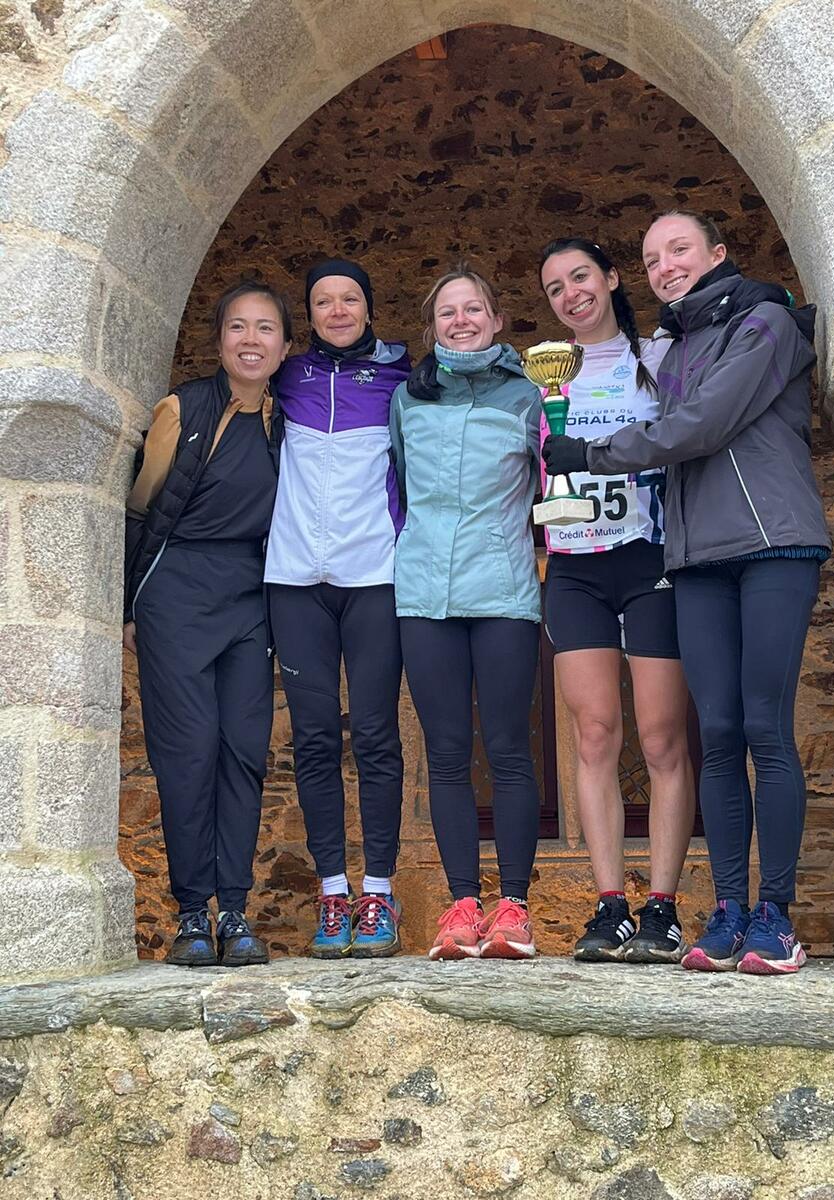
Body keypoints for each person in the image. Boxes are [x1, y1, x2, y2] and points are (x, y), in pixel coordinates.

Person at [543, 211, 831, 975]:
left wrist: (593, 453)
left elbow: (701, 425)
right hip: (696, 556)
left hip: (773, 541)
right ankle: (729, 908)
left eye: (678, 250)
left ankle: (775, 914)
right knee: (720, 733)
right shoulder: (672, 347)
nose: (665, 265)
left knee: (765, 729)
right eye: (653, 257)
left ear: (717, 253)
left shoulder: (765, 320)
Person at [124, 280, 292, 967]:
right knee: (187, 754)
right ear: (219, 340)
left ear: (284, 347)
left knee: (244, 754)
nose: (250, 340)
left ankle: (236, 913)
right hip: (177, 592)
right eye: (238, 328)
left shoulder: (290, 418)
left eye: (265, 329)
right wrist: (127, 602)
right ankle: (193, 914)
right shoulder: (183, 409)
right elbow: (138, 508)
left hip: (251, 598)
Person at [538, 238, 695, 964]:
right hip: (573, 566)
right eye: (555, 288)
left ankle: (662, 906)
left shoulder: (659, 358)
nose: (571, 294)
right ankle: (610, 906)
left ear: (610, 278)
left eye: (581, 277)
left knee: (662, 738)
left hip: (647, 558)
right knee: (594, 733)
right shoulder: (541, 371)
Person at [390, 263, 543, 961]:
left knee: (509, 749)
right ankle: (461, 907)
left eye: (473, 308)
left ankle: (514, 907)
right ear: (433, 326)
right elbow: (398, 483)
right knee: (446, 754)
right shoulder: (409, 399)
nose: (461, 320)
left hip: (506, 591)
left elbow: (550, 482)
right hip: (424, 594)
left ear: (496, 319)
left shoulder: (528, 394)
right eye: (448, 312)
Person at [265, 259, 410, 959]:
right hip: (294, 580)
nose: (337, 309)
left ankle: (378, 892)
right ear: (310, 314)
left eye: (350, 297)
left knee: (377, 735)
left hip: (374, 576)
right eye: (323, 301)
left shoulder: (402, 379)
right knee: (316, 740)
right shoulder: (284, 377)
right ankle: (331, 892)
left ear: (369, 306)